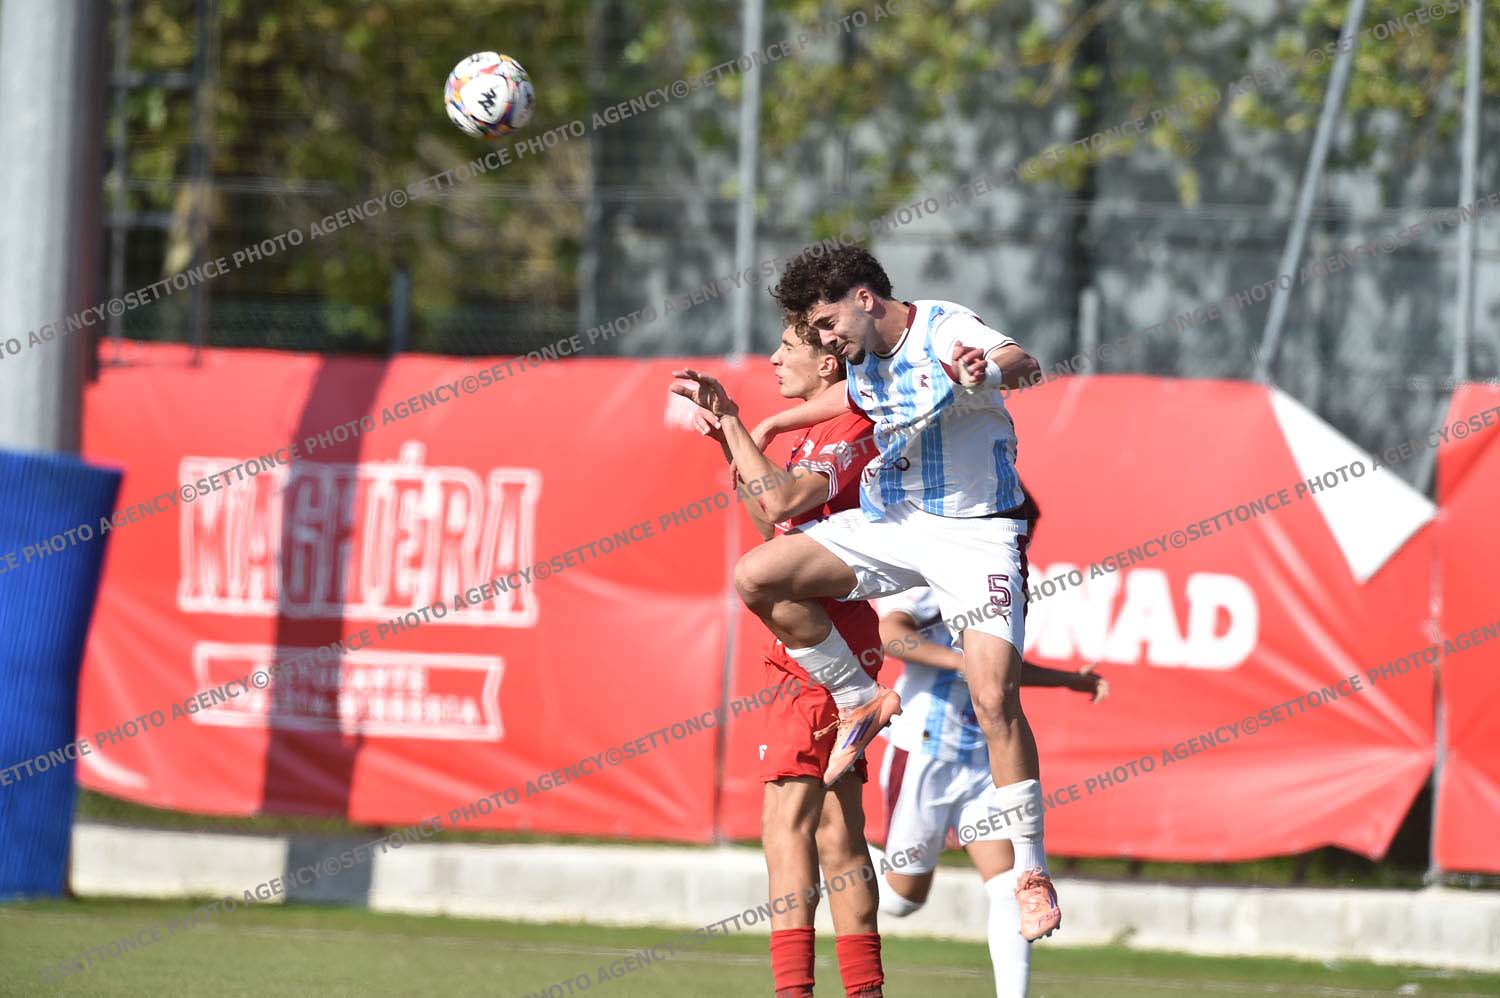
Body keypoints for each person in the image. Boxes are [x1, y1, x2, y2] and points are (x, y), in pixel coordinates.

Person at [673, 244, 1063, 939]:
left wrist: (979, 371)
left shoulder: (941, 326)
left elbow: (1024, 363)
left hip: (976, 533)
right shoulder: (863, 360)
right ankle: (860, 698)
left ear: (864, 298)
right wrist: (770, 422)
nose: (825, 340)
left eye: (826, 323)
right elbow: (851, 396)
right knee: (758, 576)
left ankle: (1030, 871)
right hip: (896, 523)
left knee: (993, 698)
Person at [671, 321, 887, 998]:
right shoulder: (814, 432)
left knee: (787, 822)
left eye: (788, 347)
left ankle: (794, 992)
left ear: (829, 363)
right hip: (819, 638)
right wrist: (732, 441)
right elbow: (777, 526)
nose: (773, 358)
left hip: (824, 640)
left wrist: (741, 423)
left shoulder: (854, 424)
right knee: (837, 832)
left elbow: (784, 501)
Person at [870, 585, 1107, 997]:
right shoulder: (941, 579)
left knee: (1009, 886)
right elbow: (891, 634)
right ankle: (833, 849)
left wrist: (1067, 680)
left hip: (981, 759)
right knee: (901, 900)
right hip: (926, 751)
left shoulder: (1003, 584)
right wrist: (961, 661)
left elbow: (999, 670)